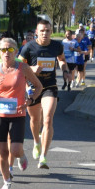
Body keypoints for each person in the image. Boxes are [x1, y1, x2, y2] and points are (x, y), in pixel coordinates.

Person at [0, 38, 42, 189]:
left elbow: (38, 86)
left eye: (10, 49)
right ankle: (6, 182)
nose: (6, 53)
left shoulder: (23, 68)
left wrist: (30, 100)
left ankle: (21, 156)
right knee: (2, 151)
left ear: (16, 52)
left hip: (18, 113)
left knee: (15, 149)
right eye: (3, 50)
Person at [18, 19, 69, 170]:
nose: (44, 33)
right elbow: (18, 66)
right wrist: (31, 69)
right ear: (36, 32)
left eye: (47, 30)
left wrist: (65, 70)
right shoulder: (29, 47)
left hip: (50, 86)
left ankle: (43, 157)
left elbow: (61, 60)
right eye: (42, 31)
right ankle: (36, 142)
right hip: (33, 88)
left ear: (51, 32)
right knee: (35, 119)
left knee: (47, 119)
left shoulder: (56, 46)